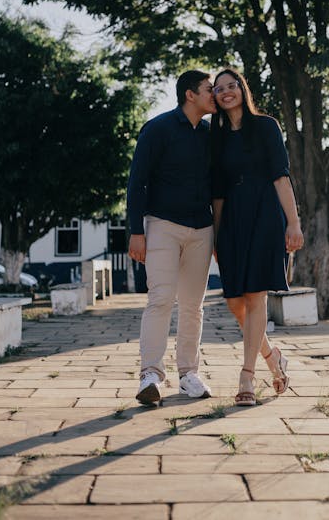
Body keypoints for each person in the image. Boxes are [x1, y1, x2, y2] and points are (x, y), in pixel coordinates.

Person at [211, 69, 304, 406]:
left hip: (265, 214)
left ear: (242, 89)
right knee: (235, 302)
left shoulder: (266, 126)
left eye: (231, 86)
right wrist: (217, 238)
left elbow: (281, 177)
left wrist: (293, 223)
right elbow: (217, 193)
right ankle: (272, 357)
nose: (225, 92)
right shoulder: (216, 136)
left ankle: (246, 377)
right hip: (233, 218)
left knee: (255, 295)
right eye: (219, 89)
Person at [127, 70, 216, 405]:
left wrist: (220, 234)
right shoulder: (158, 128)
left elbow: (218, 187)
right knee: (161, 299)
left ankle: (189, 374)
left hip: (202, 230)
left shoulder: (211, 134)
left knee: (193, 306)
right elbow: (137, 183)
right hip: (162, 225)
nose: (214, 94)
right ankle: (150, 374)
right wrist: (136, 231)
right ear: (190, 95)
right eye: (209, 89)